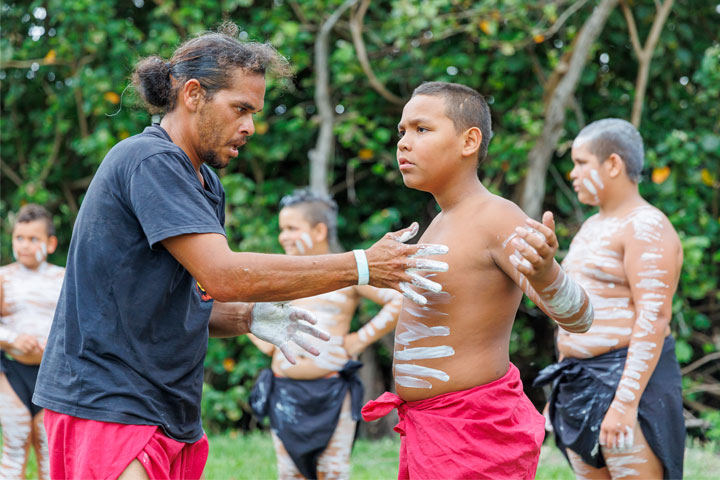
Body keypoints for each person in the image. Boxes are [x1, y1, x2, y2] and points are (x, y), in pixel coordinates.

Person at [31, 24, 448, 480]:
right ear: (193, 94)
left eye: (255, 112)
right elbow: (224, 276)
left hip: (166, 407)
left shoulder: (205, 182)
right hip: (108, 401)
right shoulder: (151, 161)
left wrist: (246, 317)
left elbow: (178, 299)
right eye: (241, 109)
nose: (250, 126)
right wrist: (362, 265)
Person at [360, 81, 595, 479]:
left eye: (421, 129)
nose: (403, 142)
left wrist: (546, 273)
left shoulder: (496, 217)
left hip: (473, 429)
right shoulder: (440, 222)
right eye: (402, 132)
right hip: (431, 428)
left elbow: (580, 318)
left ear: (469, 141)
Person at [533, 118, 685, 479]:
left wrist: (626, 402)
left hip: (627, 384)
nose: (572, 173)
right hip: (579, 383)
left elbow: (654, 317)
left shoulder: (646, 225)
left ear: (613, 164)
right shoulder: (592, 226)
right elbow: (571, 314)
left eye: (582, 163)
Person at [248, 188, 403, 479]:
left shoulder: (346, 273)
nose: (283, 237)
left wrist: (360, 338)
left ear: (319, 230)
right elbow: (242, 305)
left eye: (292, 228)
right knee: (288, 472)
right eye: (282, 229)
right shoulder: (279, 274)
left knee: (333, 470)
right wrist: (263, 341)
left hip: (333, 390)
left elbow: (398, 299)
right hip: (285, 390)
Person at [0, 204, 65, 479]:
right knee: (15, 441)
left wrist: (57, 340)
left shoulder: (63, 278)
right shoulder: (3, 277)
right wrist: (13, 339)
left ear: (50, 243)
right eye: (19, 238)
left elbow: (74, 325)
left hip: (51, 373)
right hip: (11, 370)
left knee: (49, 446)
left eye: (33, 239)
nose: (25, 245)